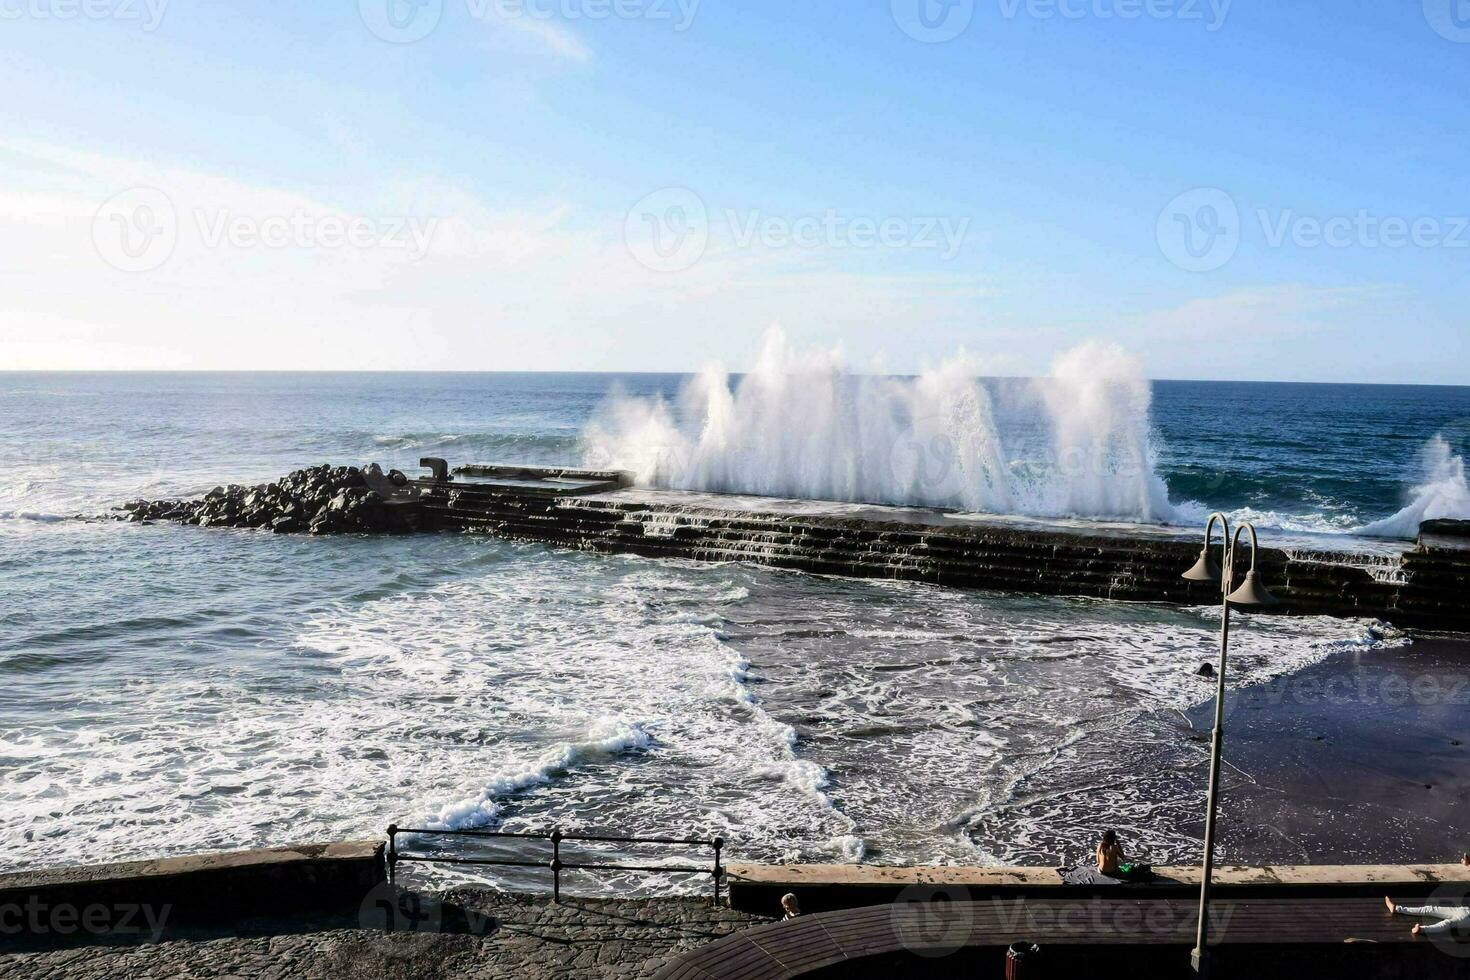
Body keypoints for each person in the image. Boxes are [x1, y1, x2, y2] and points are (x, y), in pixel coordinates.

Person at [1384, 853, 1470, 938]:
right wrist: (1468, 865)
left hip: (1467, 919)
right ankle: (1396, 908)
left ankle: (1422, 929)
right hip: (1463, 910)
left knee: (1447, 924)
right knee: (1429, 909)